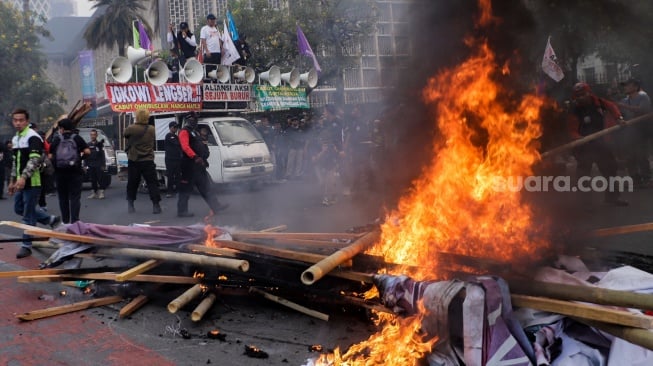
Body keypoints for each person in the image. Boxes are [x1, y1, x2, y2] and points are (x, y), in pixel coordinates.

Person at [8, 108, 60, 258]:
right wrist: (12, 181)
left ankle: (26, 245)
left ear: (27, 121)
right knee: (18, 208)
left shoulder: (33, 137)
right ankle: (50, 219)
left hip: (32, 182)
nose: (18, 123)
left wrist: (23, 177)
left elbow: (35, 160)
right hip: (20, 183)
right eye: (15, 120)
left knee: (27, 214)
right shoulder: (16, 138)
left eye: (21, 120)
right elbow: (14, 162)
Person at [568, 82, 628, 207]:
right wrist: (580, 138)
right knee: (583, 175)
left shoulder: (599, 102)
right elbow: (572, 129)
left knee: (610, 170)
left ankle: (612, 197)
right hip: (584, 147)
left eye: (583, 94)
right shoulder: (575, 110)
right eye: (577, 96)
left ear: (589, 93)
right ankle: (584, 203)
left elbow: (612, 107)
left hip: (601, 144)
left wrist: (619, 118)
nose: (580, 97)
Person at [177, 113, 228, 218]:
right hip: (188, 165)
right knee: (186, 189)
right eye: (192, 119)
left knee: (206, 186)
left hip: (199, 164)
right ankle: (182, 211)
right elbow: (185, 147)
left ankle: (216, 206)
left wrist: (203, 159)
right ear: (187, 120)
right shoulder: (184, 132)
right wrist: (195, 157)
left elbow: (200, 146)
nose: (195, 121)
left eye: (196, 119)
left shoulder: (194, 132)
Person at [49, 118, 90, 224]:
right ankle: (75, 221)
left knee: (63, 198)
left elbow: (50, 156)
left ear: (61, 128)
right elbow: (87, 151)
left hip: (60, 173)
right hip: (75, 172)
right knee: (75, 197)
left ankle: (65, 221)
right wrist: (81, 158)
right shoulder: (77, 138)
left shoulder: (57, 139)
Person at [124, 109, 162, 214]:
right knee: (152, 183)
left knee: (132, 183)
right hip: (148, 160)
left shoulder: (131, 128)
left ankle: (130, 205)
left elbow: (125, 134)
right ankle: (156, 205)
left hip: (134, 160)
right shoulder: (151, 129)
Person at [616, 78, 652, 187]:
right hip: (629, 133)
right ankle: (635, 178)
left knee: (641, 156)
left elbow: (643, 109)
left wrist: (623, 106)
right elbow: (619, 113)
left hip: (641, 131)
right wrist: (620, 118)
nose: (625, 87)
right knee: (630, 157)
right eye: (625, 85)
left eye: (628, 85)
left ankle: (647, 178)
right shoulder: (625, 100)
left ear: (635, 87)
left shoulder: (643, 96)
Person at [85, 129, 107, 199]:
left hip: (98, 164)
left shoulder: (100, 144)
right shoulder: (88, 145)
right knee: (92, 179)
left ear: (96, 135)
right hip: (91, 164)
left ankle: (101, 193)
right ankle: (94, 193)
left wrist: (103, 164)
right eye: (91, 135)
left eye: (94, 135)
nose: (92, 136)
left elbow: (102, 155)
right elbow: (86, 155)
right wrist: (85, 165)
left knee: (100, 179)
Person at [164, 121, 182, 198]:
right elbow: (177, 143)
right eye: (175, 127)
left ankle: (178, 191)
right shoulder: (169, 136)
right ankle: (169, 192)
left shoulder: (177, 137)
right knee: (170, 176)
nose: (176, 129)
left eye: (177, 127)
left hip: (177, 159)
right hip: (170, 159)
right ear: (171, 128)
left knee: (178, 176)